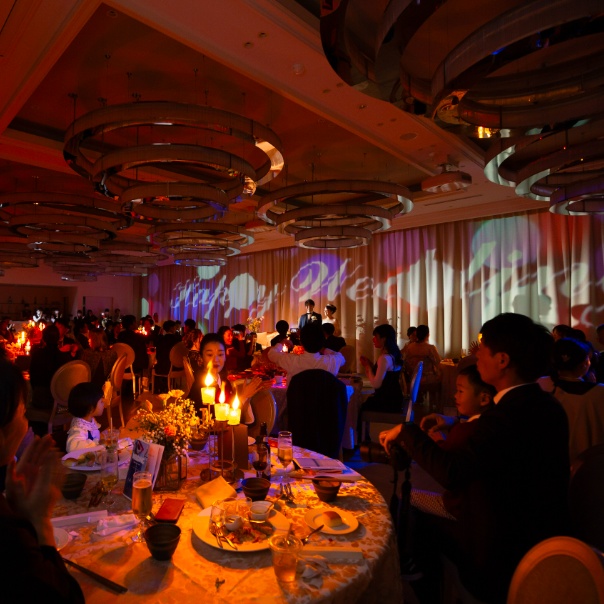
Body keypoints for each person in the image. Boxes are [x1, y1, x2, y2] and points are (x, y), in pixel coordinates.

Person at [379, 313, 570, 603]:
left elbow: (452, 471)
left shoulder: (506, 417)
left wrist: (407, 432)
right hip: (538, 534)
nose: (477, 354)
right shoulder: (543, 404)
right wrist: (454, 421)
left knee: (405, 508)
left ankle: (424, 583)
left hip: (498, 546)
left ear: (502, 360)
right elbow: (493, 445)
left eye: (483, 348)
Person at [0, 361, 85, 602]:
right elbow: (63, 595)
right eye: (22, 413)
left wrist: (19, 512)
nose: (27, 424)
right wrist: (39, 520)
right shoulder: (6, 534)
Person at [538, 337, 604, 460]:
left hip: (548, 458)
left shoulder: (540, 385)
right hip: (588, 462)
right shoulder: (599, 392)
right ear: (584, 364)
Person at [187, 333, 262, 423]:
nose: (216, 360)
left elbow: (237, 418)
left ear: (225, 356)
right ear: (201, 357)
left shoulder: (223, 381)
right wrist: (243, 396)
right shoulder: (201, 387)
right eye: (210, 355)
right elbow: (217, 422)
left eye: (220, 354)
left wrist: (248, 396)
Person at [357, 324, 405, 439]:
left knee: (358, 407)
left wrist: (367, 367)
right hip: (395, 398)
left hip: (387, 401)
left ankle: (360, 438)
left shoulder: (384, 358)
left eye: (376, 337)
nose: (373, 340)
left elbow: (376, 384)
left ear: (384, 339)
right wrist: (371, 366)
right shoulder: (394, 355)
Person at [268, 322, 344, 386]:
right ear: (323, 341)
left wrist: (283, 342)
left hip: (296, 400)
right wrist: (323, 349)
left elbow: (271, 354)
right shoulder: (331, 361)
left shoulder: (292, 361)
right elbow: (342, 358)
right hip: (324, 400)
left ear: (301, 342)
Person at [28, 324, 74, 415]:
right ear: (58, 338)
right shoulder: (65, 358)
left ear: (43, 338)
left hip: (41, 399)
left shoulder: (37, 355)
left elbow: (32, 379)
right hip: (60, 401)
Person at [404, 324, 441, 402]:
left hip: (414, 377)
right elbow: (438, 362)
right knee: (443, 379)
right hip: (427, 378)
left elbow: (406, 362)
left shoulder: (409, 347)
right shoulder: (430, 348)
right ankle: (435, 404)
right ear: (427, 335)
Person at [65, 382, 105, 452]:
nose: (104, 403)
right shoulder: (78, 429)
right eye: (101, 401)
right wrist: (98, 445)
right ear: (90, 408)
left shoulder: (89, 420)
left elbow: (95, 437)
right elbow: (72, 448)